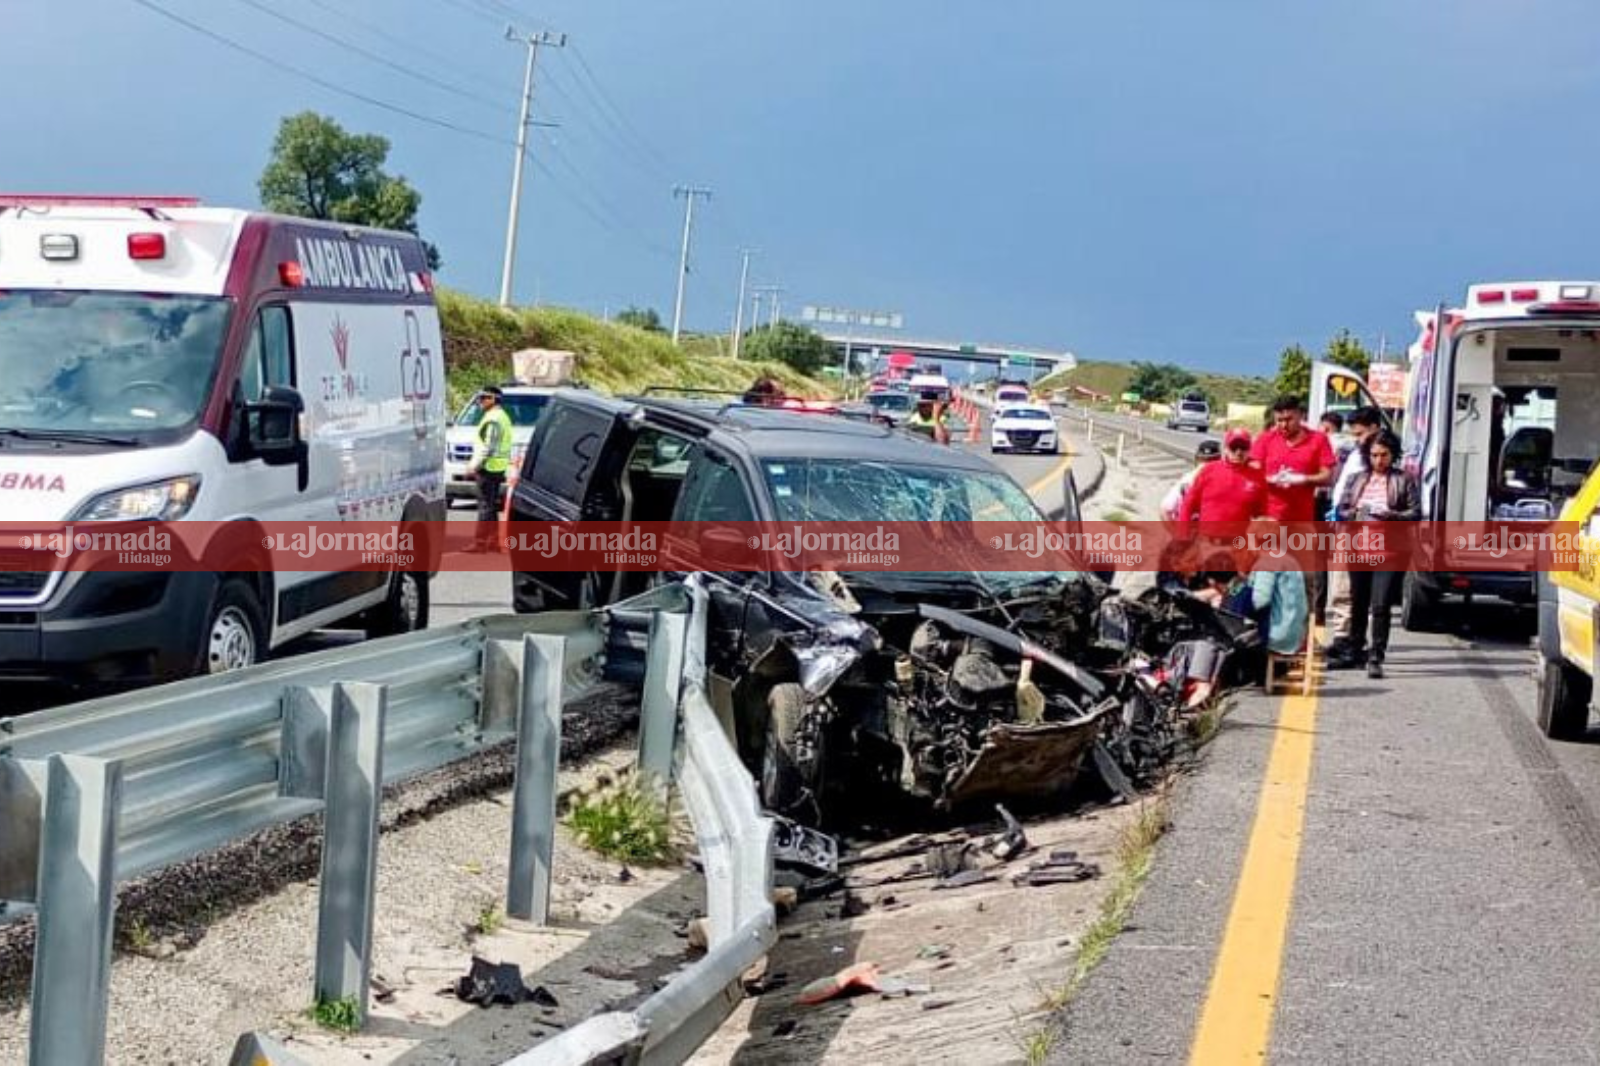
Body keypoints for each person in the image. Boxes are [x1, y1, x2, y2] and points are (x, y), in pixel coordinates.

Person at [1328, 429, 1419, 678]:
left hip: (1389, 551)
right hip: (1359, 547)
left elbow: (1414, 513)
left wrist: (1391, 516)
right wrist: (1356, 514)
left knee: (1380, 605)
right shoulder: (1357, 478)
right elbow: (1341, 509)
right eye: (1374, 455)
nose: (1379, 460)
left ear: (1393, 455)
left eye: (1384, 455)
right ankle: (1354, 650)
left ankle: (1376, 654)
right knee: (1358, 601)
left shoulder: (1404, 479)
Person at [1323, 406, 1384, 660]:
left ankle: (1349, 639)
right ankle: (1341, 636)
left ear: (1374, 428)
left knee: (1350, 588)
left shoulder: (1377, 455)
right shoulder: (1358, 454)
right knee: (1338, 586)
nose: (1356, 439)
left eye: (1359, 433)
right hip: (1343, 523)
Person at [1179, 428, 1265, 527]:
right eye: (1234, 447)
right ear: (1226, 449)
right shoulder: (1209, 470)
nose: (1238, 452)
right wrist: (1183, 535)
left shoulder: (1256, 477)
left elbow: (1262, 513)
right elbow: (1188, 504)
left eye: (1243, 447)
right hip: (1207, 540)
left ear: (1249, 449)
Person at [469, 385, 513, 551]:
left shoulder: (494, 418)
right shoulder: (502, 416)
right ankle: (493, 542)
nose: (480, 401)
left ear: (493, 399)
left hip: (488, 467)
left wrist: (474, 465)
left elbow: (489, 446)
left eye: (483, 398)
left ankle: (480, 543)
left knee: (485, 506)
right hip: (497, 466)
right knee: (491, 505)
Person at [1161, 439, 1222, 522]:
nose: (1206, 465)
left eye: (1210, 461)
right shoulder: (1187, 480)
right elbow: (1165, 509)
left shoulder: (1187, 479)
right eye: (1204, 460)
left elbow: (1165, 509)